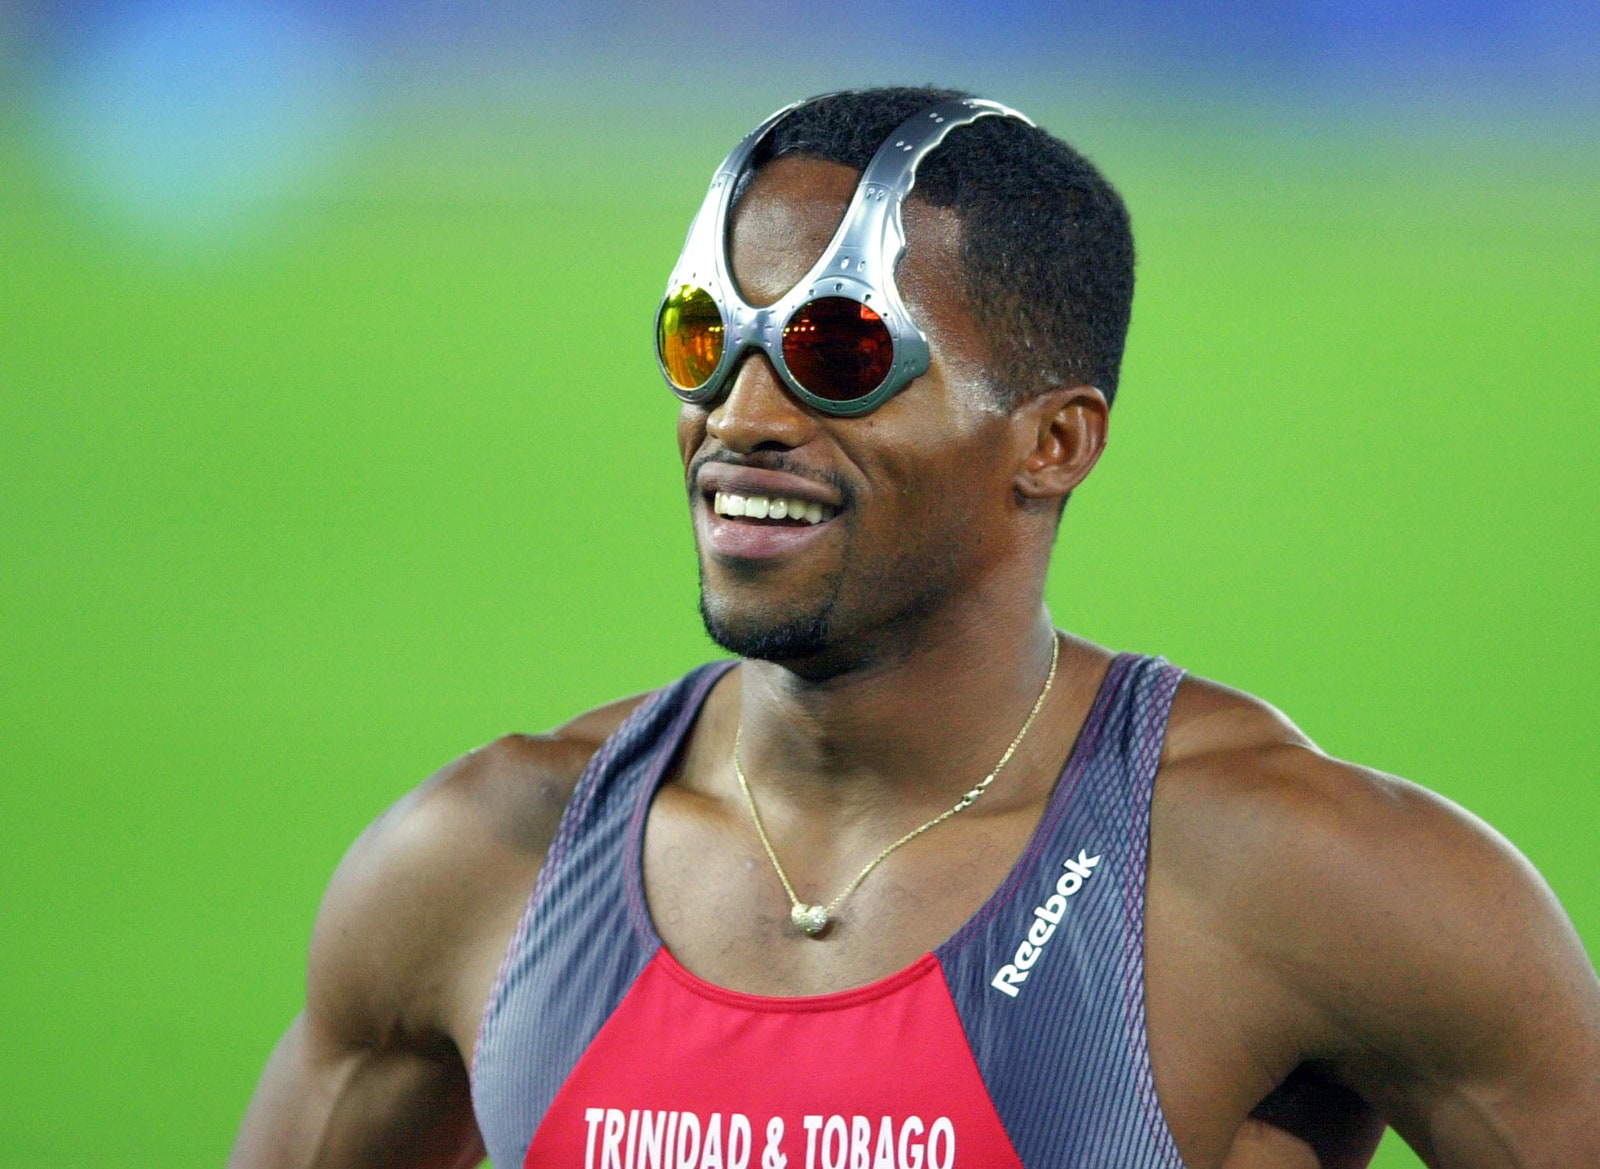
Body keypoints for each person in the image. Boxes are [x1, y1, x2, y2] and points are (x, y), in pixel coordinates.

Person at [229, 87, 1600, 1169]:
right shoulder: (478, 865)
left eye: (836, 353)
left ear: (1053, 441)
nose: (743, 420)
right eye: (706, 341)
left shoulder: (1296, 879)